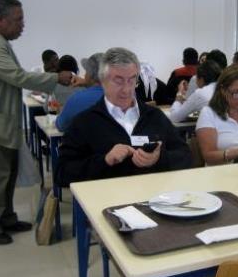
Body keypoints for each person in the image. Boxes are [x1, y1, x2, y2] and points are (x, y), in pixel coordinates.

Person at [0, 0, 73, 245]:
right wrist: (56, 78)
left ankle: (7, 218)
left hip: (3, 124)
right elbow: (18, 77)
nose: (22, 24)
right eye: (18, 19)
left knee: (8, 175)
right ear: (1, 20)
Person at [56, 47, 192, 186]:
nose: (127, 90)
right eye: (118, 81)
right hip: (106, 205)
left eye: (132, 80)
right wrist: (105, 160)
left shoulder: (154, 116)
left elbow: (185, 157)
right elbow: (62, 174)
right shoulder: (84, 123)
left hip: (154, 202)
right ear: (103, 81)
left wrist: (159, 158)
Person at [55, 53, 105, 132]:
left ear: (90, 75)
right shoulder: (122, 99)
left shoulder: (77, 99)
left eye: (86, 71)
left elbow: (61, 126)